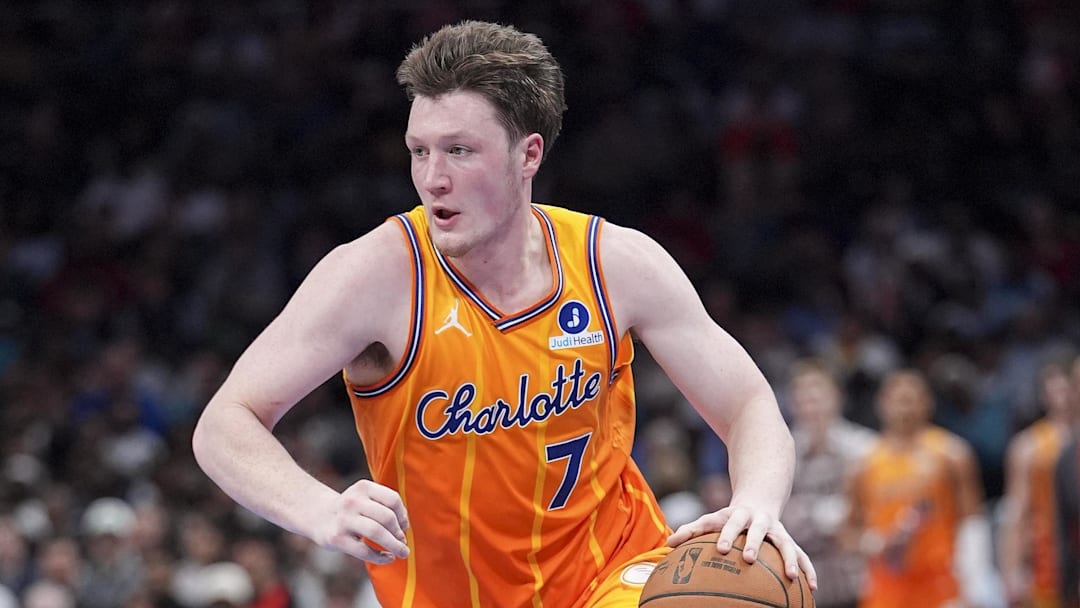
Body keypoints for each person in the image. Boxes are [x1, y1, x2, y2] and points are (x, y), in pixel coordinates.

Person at [192, 20, 814, 607]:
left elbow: (749, 404)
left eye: (460, 151)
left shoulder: (614, 263)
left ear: (529, 154)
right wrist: (319, 510)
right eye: (419, 151)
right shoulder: (374, 276)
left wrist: (756, 501)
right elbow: (225, 423)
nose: (432, 178)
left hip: (613, 576)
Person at [845, 370, 1000, 608]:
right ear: (881, 404)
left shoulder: (951, 454)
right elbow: (847, 531)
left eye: (912, 399)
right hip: (886, 587)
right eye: (898, 400)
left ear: (928, 403)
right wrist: (873, 542)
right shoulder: (863, 464)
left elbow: (972, 522)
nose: (905, 408)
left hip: (941, 584)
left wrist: (974, 584)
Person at [782, 358, 877, 608]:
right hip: (805, 581)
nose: (811, 408)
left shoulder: (865, 448)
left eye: (817, 398)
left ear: (837, 397)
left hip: (859, 578)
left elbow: (876, 511)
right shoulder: (782, 454)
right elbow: (782, 517)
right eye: (803, 400)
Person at [999, 357, 1075, 608]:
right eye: (1055, 391)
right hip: (1047, 561)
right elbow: (1016, 510)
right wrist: (1011, 572)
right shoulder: (1029, 446)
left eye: (1067, 389)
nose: (1063, 397)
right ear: (1043, 396)